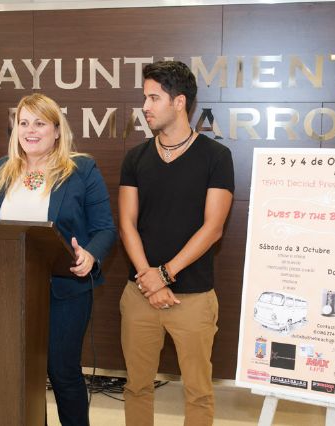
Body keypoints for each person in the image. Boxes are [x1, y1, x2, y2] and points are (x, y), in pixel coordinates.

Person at [0, 93, 116, 426]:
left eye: (39, 123)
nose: (30, 130)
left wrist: (90, 254)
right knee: (22, 375)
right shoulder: (2, 169)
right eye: (23, 123)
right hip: (11, 291)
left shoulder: (81, 169)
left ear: (56, 130)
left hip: (65, 290)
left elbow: (105, 229)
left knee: (62, 372)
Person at [118, 61, 234, 426]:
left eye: (154, 98)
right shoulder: (135, 157)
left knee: (198, 392)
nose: (145, 106)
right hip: (139, 293)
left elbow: (213, 228)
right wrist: (148, 279)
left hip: (193, 298)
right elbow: (127, 223)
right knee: (137, 387)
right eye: (145, 97)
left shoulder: (216, 157)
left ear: (179, 102)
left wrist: (164, 275)